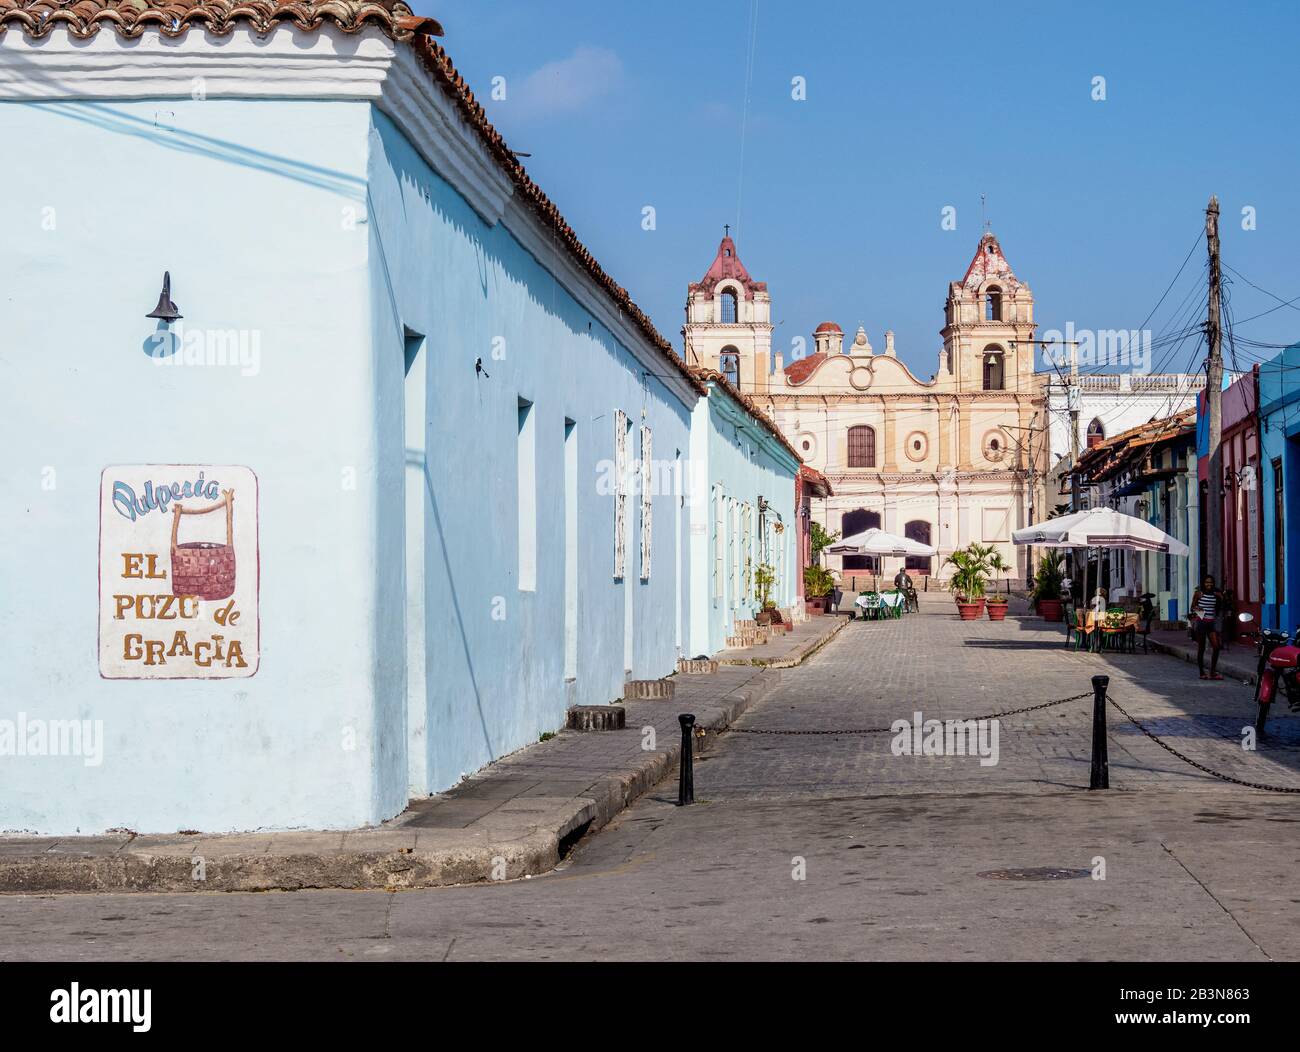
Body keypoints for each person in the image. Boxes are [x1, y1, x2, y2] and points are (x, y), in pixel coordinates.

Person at [1190, 575, 1223, 680]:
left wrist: (1221, 597)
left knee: (1216, 647)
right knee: (1202, 648)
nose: (1209, 584)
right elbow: (1192, 607)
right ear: (1203, 583)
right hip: (1201, 623)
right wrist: (1199, 610)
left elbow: (1222, 606)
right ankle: (1201, 672)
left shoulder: (1216, 594)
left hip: (1211, 623)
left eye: (1211, 582)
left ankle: (1212, 672)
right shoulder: (1199, 594)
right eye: (1207, 582)